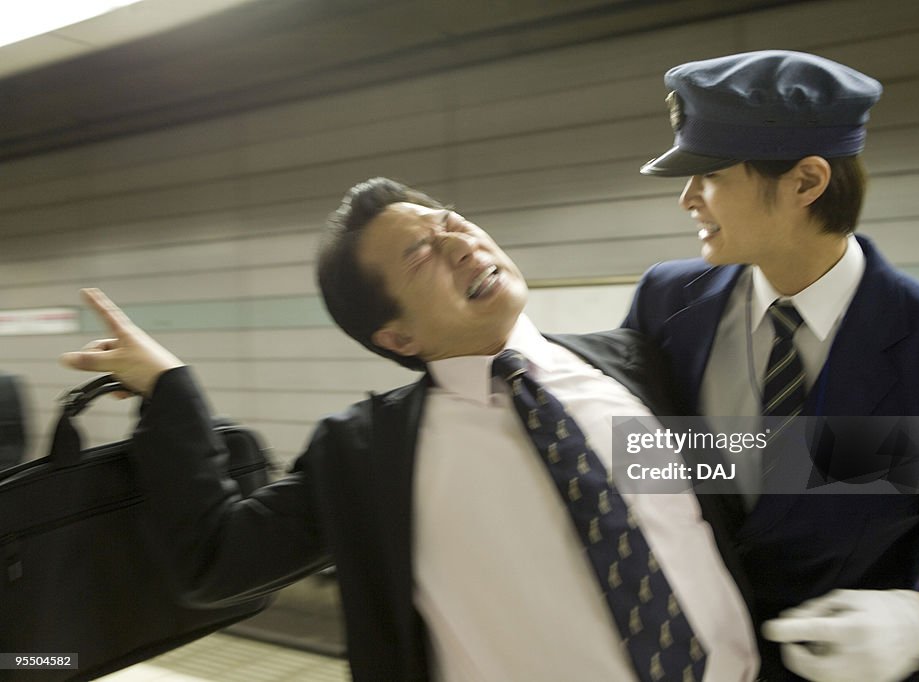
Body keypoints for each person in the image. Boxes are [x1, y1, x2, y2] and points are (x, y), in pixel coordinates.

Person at [61, 177, 759, 682]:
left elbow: (768, 487)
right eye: (421, 254)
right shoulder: (370, 457)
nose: (457, 243)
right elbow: (217, 561)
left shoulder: (632, 368)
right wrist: (169, 388)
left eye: (451, 221)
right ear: (395, 336)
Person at [624, 50, 919, 681]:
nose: (687, 200)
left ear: (806, 183)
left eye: (708, 176)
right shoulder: (667, 303)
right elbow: (646, 467)